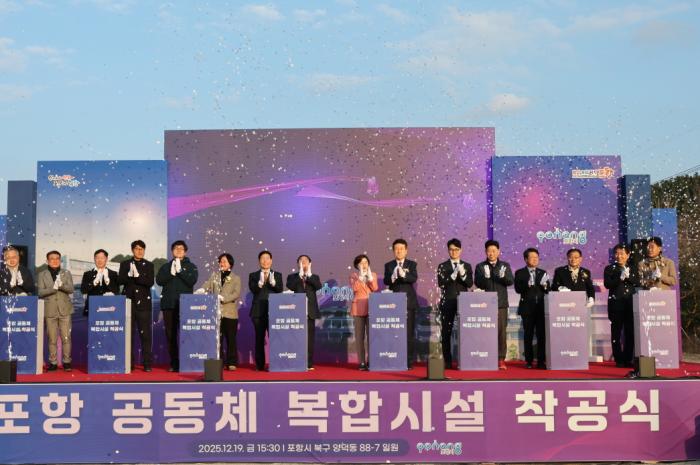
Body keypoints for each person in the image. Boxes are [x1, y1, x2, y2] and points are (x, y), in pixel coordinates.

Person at [156, 240, 198, 372]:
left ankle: (188, 362)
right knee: (171, 335)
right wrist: (171, 273)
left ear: (185, 251)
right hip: (168, 305)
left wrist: (180, 271)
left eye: (181, 248)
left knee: (187, 334)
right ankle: (174, 363)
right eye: (176, 248)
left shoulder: (191, 266)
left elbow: (192, 281)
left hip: (185, 305)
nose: (178, 250)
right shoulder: (166, 266)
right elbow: (159, 280)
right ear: (172, 251)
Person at [474, 239, 514, 370]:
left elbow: (510, 281)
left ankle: (501, 359)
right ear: (485, 252)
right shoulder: (480, 266)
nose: (491, 253)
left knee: (501, 333)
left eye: (493, 251)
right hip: (485, 304)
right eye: (489, 251)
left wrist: (501, 276)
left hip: (501, 304)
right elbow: (478, 283)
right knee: (485, 332)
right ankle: (486, 357)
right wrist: (485, 277)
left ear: (498, 252)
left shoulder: (505, 265)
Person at [118, 240, 155, 372]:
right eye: (137, 248)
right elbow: (120, 280)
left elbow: (150, 282)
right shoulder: (125, 264)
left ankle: (147, 363)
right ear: (132, 250)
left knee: (145, 335)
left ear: (144, 250)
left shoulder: (149, 265)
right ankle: (130, 363)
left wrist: (137, 277)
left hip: (144, 304)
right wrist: (129, 275)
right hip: (128, 303)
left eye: (141, 249)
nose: (139, 251)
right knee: (129, 334)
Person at [436, 238, 473, 369]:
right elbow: (441, 284)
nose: (454, 252)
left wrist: (463, 275)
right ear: (448, 251)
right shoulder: (442, 266)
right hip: (447, 302)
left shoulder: (467, 266)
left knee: (466, 331)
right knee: (446, 332)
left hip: (464, 301)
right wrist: (452, 276)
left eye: (456, 249)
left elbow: (469, 284)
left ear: (460, 250)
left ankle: (466, 360)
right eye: (451, 250)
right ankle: (447, 361)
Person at [201, 253, 241, 371]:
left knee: (230, 339)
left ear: (230, 264)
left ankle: (232, 362)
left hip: (230, 313)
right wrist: (201, 290)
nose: (221, 263)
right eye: (220, 261)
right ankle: (220, 361)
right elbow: (207, 285)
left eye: (224, 261)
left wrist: (224, 298)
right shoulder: (214, 276)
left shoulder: (236, 278)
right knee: (217, 339)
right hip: (216, 313)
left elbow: (236, 293)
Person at [36, 250, 74, 372]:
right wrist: (53, 288)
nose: (55, 260)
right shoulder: (42, 274)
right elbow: (40, 292)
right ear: (47, 261)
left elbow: (71, 289)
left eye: (57, 258)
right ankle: (53, 362)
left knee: (66, 337)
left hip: (65, 310)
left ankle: (67, 361)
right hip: (49, 310)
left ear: (60, 260)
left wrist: (61, 285)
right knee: (51, 339)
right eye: (52, 258)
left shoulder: (66, 273)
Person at [383, 238, 418, 368]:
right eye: (396, 249)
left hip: (408, 302)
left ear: (406, 250)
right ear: (393, 251)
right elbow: (386, 281)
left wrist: (404, 275)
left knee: (408, 333)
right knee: (393, 332)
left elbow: (413, 278)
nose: (399, 251)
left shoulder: (412, 264)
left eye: (401, 249)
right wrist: (393, 277)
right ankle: (394, 358)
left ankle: (408, 361)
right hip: (393, 303)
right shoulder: (389, 265)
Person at [514, 248, 550, 369]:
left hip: (540, 308)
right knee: (528, 335)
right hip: (527, 309)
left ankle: (541, 361)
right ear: (526, 259)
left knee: (541, 336)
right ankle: (529, 361)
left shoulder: (543, 272)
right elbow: (518, 289)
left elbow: (548, 290)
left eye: (536, 257)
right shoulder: (520, 273)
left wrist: (545, 286)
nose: (535, 259)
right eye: (532, 257)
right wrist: (527, 284)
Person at [604, 243, 638, 368]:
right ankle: (618, 359)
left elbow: (637, 282)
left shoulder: (633, 268)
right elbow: (608, 284)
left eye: (622, 253)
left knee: (630, 333)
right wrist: (620, 278)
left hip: (630, 304)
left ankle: (628, 358)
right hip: (615, 305)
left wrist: (628, 277)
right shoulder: (609, 268)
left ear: (628, 255)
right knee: (616, 334)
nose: (619, 256)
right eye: (617, 253)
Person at [286, 255, 322, 370]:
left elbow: (318, 286)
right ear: (298, 264)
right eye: (301, 261)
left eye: (306, 261)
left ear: (310, 263)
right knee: (295, 338)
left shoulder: (314, 277)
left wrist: (308, 275)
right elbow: (290, 286)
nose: (303, 262)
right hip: (296, 312)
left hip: (310, 312)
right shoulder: (292, 277)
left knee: (309, 339)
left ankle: (308, 363)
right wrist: (300, 275)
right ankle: (296, 362)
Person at [249, 250, 283, 371]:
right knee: (259, 338)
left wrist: (273, 284)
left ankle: (275, 364)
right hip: (258, 311)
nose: (265, 261)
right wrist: (259, 284)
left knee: (275, 338)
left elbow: (280, 290)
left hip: (274, 311)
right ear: (259, 261)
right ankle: (260, 364)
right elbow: (253, 290)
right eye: (262, 258)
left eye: (267, 258)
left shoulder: (277, 275)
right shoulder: (253, 275)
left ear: (271, 260)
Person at [350, 254, 378, 371]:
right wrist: (361, 277)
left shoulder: (373, 275)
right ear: (357, 265)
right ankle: (361, 362)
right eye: (361, 263)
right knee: (359, 337)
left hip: (371, 307)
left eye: (366, 262)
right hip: (358, 308)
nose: (364, 265)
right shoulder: (354, 276)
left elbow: (375, 288)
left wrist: (370, 278)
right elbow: (355, 289)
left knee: (371, 336)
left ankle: (371, 360)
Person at [80, 249, 119, 316]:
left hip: (109, 308)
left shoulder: (113, 274)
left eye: (102, 258)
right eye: (97, 258)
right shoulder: (87, 274)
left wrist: (107, 280)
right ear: (94, 259)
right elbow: (83, 290)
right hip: (92, 308)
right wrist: (94, 282)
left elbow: (117, 291)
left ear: (106, 259)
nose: (99, 260)